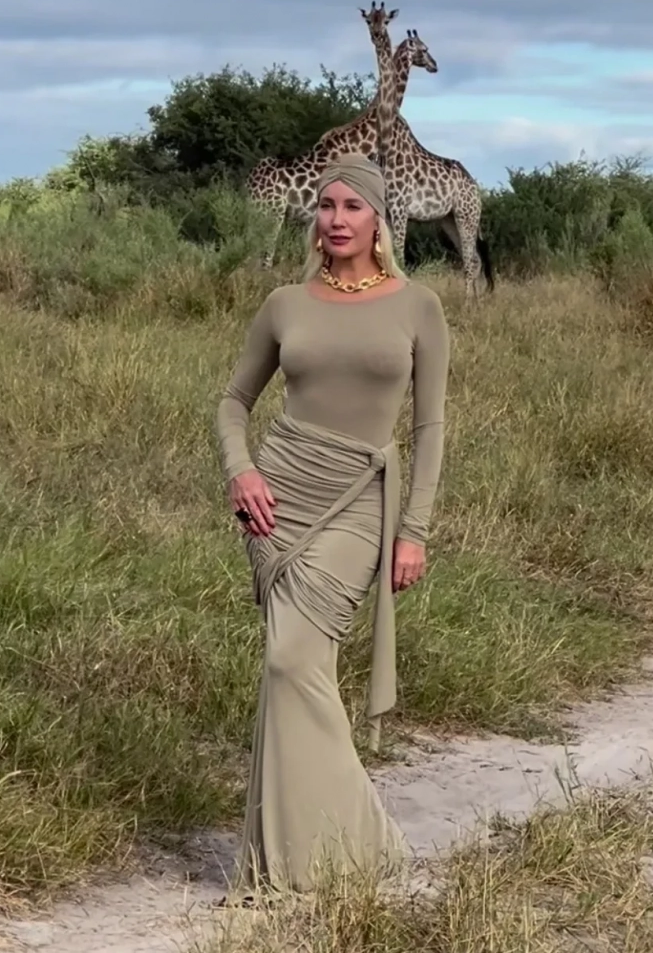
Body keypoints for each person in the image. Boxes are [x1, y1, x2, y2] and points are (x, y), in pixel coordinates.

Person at [215, 152, 450, 902]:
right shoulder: (285, 303)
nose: (337, 219)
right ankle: (296, 858)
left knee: (293, 661)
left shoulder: (419, 306)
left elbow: (431, 428)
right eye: (326, 205)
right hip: (278, 498)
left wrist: (414, 530)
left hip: (361, 500)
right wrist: (241, 471)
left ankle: (356, 843)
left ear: (380, 220)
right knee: (290, 667)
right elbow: (233, 402)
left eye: (353, 206)